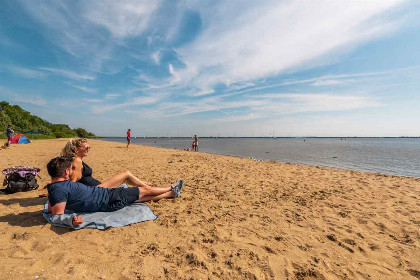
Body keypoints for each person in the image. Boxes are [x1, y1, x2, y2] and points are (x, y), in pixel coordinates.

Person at [46, 156, 183, 226]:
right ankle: (171, 188)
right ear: (65, 172)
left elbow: (53, 207)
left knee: (140, 198)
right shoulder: (59, 189)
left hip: (106, 196)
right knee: (145, 190)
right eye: (71, 169)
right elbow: (57, 215)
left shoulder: (56, 187)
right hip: (109, 199)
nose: (72, 171)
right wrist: (71, 220)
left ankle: (171, 194)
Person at [61, 138, 151, 189]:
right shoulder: (77, 161)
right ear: (77, 150)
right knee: (126, 174)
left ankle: (142, 184)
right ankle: (145, 186)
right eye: (86, 148)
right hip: (97, 189)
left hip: (98, 187)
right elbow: (72, 182)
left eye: (89, 147)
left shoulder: (75, 160)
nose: (89, 149)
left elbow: (68, 178)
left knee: (124, 178)